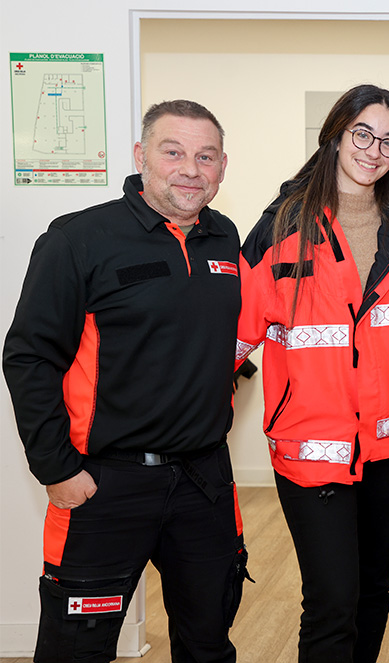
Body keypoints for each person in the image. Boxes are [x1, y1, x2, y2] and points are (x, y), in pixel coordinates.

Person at [3, 100, 248, 663]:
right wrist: (56, 469)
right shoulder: (78, 239)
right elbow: (29, 357)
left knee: (209, 642)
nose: (191, 168)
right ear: (141, 157)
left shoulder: (223, 238)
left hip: (203, 483)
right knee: (77, 650)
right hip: (104, 486)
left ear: (222, 167)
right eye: (173, 152)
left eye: (205, 156)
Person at [236, 84, 389, 663]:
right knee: (332, 599)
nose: (374, 150)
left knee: (374, 590)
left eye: (388, 142)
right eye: (362, 134)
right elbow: (234, 335)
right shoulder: (281, 225)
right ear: (336, 134)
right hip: (310, 447)